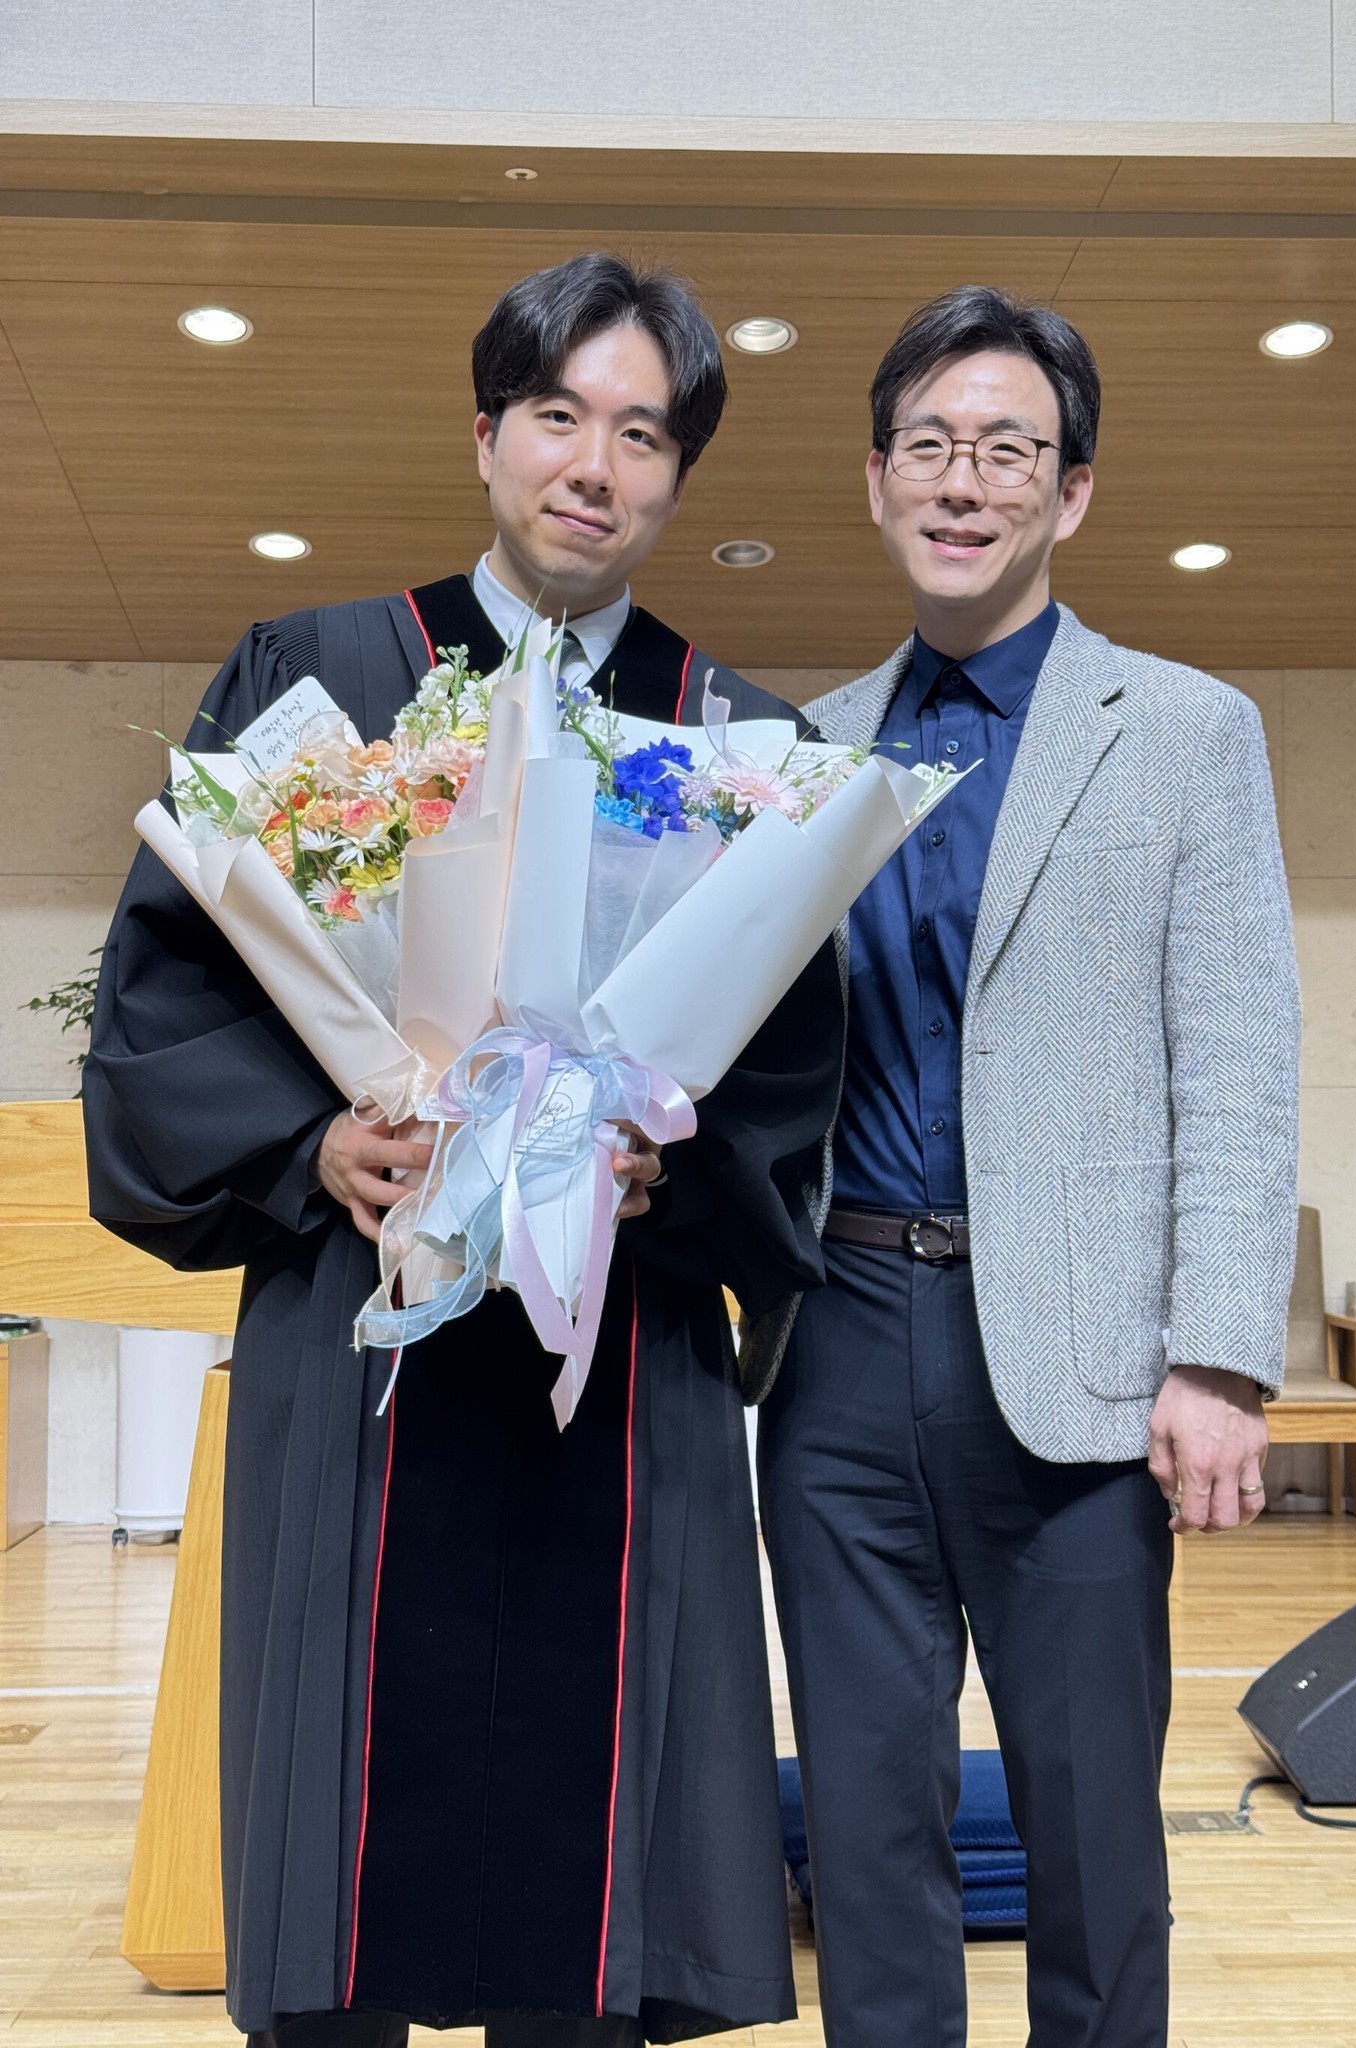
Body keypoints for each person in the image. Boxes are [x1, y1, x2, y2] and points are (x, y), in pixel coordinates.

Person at [84, 252, 841, 2048]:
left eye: (643, 435)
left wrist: (672, 1172)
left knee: (582, 1910)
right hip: (370, 1341)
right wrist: (309, 1148)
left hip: (614, 1355)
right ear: (487, 432)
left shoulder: (737, 744)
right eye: (560, 415)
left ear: (678, 476)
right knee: (346, 1865)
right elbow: (171, 1002)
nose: (595, 465)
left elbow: (793, 1070)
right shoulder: (321, 680)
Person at [743, 286, 1301, 2048]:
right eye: (929, 444)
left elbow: (1240, 1058)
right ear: (877, 480)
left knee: (1093, 1833)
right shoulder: (798, 750)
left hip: (1079, 1363)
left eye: (1008, 448)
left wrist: (1217, 1356)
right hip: (836, 1346)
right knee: (865, 1826)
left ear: (1071, 492)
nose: (964, 479)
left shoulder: (1187, 728)